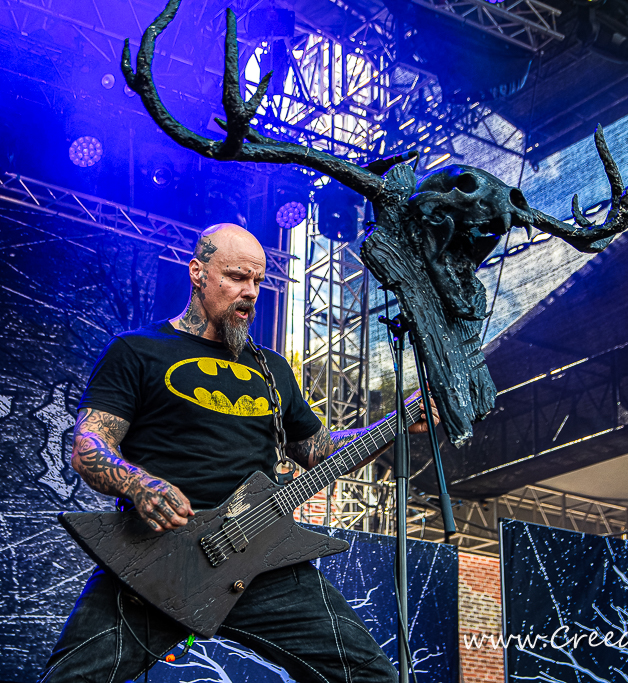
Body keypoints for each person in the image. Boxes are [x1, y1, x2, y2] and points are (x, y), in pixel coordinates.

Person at [40, 223, 438, 683]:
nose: (250, 291)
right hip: (157, 559)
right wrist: (138, 483)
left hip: (263, 558)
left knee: (372, 677)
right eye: (236, 277)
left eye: (257, 281)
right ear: (198, 272)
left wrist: (397, 422)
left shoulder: (272, 369)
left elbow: (320, 452)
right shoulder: (138, 350)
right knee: (72, 679)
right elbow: (89, 445)